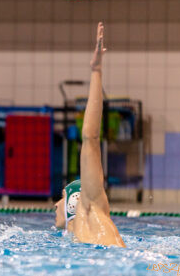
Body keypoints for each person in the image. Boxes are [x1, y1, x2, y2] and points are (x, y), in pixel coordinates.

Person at [54, 22, 126, 247]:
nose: (55, 205)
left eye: (62, 197)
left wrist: (96, 71)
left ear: (75, 200)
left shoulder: (90, 208)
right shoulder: (77, 235)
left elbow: (91, 138)